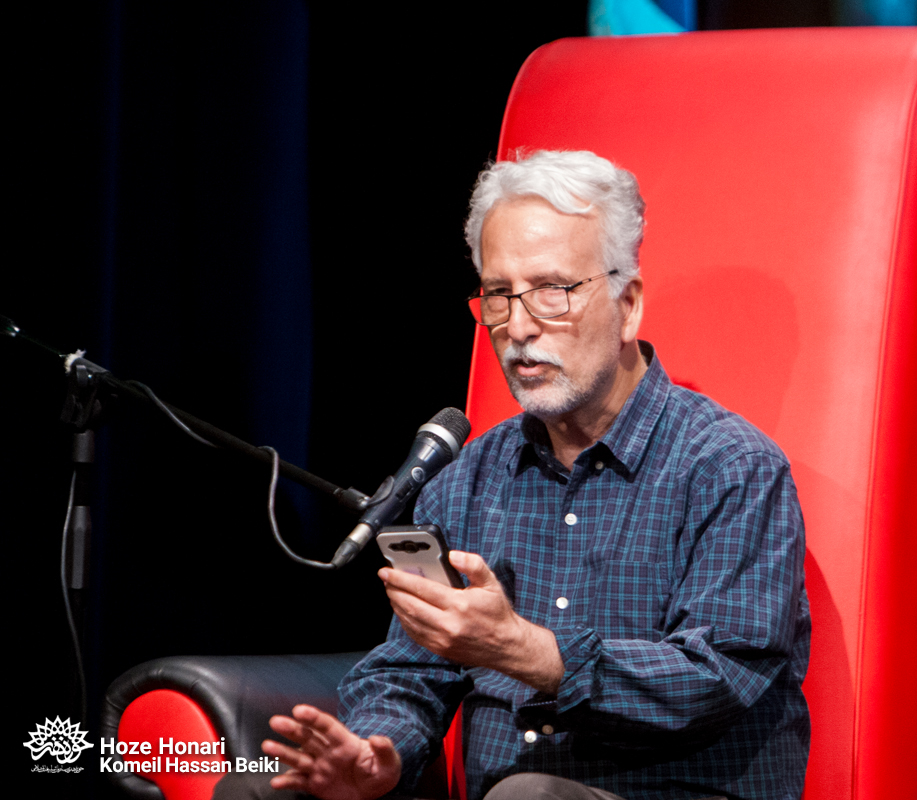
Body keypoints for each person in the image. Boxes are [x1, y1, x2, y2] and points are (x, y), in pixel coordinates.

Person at [230, 150, 810, 800]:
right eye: (499, 295)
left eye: (552, 291)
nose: (519, 327)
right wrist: (376, 752)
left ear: (627, 305)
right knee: (254, 792)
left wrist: (529, 652)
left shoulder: (731, 468)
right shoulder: (466, 480)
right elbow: (413, 670)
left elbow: (718, 675)